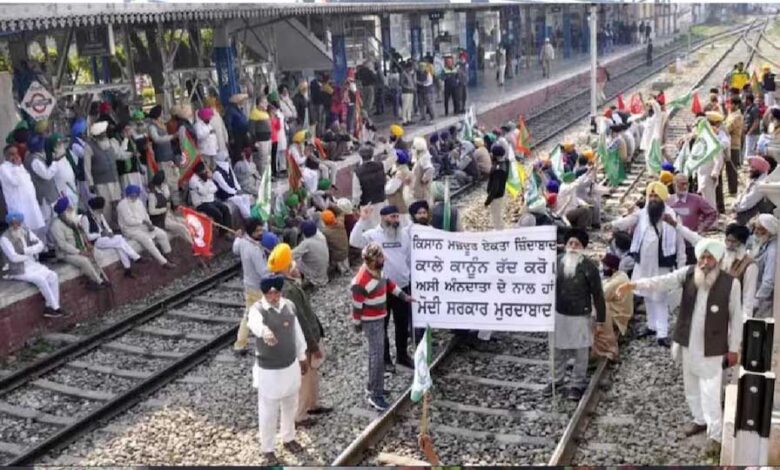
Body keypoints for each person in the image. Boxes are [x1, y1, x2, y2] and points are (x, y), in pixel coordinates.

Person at [617, 238, 742, 456]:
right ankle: (699, 420)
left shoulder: (731, 284)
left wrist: (733, 349)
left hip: (713, 347)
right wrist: (635, 285)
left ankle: (715, 435)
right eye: (702, 257)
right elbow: (663, 281)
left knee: (711, 391)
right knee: (691, 386)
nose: (705, 262)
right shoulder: (688, 273)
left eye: (710, 257)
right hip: (688, 343)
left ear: (718, 259)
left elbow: (737, 318)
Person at [609, 182, 686, 346]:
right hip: (643, 264)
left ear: (663, 197)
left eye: (656, 196)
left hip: (662, 264)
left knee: (660, 298)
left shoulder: (672, 216)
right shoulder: (642, 214)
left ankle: (662, 333)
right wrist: (613, 224)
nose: (653, 199)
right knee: (647, 296)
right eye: (650, 196)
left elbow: (680, 243)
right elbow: (626, 222)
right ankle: (652, 326)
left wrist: (681, 264)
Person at [266, 243, 330, 426]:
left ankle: (312, 404)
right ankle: (299, 415)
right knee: (304, 377)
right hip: (302, 343)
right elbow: (300, 320)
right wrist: (313, 344)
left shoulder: (279, 286)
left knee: (311, 374)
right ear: (286, 266)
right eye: (291, 261)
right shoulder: (290, 290)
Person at [247, 273, 307, 465]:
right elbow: (254, 324)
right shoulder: (257, 310)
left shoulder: (289, 306)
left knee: (291, 404)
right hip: (269, 370)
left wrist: (302, 356)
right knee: (268, 410)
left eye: (276, 293)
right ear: (264, 294)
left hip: (289, 365)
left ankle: (289, 437)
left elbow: (297, 332)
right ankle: (268, 448)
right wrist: (265, 331)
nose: (273, 297)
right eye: (270, 293)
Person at [350, 205, 413, 372]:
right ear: (383, 218)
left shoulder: (403, 235)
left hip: (401, 286)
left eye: (397, 217)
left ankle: (402, 356)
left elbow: (408, 258)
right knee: (382, 326)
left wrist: (407, 276)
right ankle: (385, 359)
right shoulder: (373, 235)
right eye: (392, 217)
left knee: (402, 324)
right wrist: (362, 219)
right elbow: (354, 241)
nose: (395, 220)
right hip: (380, 289)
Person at [351, 242, 413, 411]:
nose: (383, 259)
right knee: (377, 357)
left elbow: (388, 284)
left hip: (379, 317)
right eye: (379, 257)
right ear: (371, 261)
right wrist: (357, 323)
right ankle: (375, 395)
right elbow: (357, 306)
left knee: (377, 355)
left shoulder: (378, 272)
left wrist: (404, 296)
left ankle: (374, 386)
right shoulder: (361, 282)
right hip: (371, 322)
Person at [544, 229, 605, 401]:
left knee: (581, 353)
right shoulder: (556, 262)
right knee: (556, 350)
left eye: (576, 244)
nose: (572, 246)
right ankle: (556, 380)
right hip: (558, 313)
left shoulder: (589, 267)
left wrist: (600, 320)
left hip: (580, 316)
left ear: (582, 247)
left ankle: (577, 384)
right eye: (570, 243)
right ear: (565, 245)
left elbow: (598, 294)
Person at [0, 212, 65, 318]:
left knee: (53, 276)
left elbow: (40, 245)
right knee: (41, 279)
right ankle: (56, 308)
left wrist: (27, 251)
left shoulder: (25, 231)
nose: (16, 226)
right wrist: (29, 256)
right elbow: (13, 257)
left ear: (21, 223)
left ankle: (49, 307)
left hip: (32, 264)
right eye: (13, 224)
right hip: (16, 269)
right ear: (9, 224)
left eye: (18, 223)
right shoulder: (4, 238)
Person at [233, 221, 279, 355]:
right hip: (259, 287)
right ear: (251, 232)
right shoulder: (254, 250)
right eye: (258, 231)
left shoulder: (243, 242)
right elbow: (263, 272)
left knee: (248, 315)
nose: (261, 233)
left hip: (249, 285)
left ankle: (240, 344)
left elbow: (235, 249)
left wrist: (237, 237)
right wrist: (276, 271)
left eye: (261, 230)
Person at [49, 196, 109, 289]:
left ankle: (94, 278)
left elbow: (81, 233)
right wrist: (80, 252)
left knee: (98, 255)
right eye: (68, 208)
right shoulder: (56, 226)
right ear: (63, 212)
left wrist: (87, 244)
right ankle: (98, 282)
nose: (71, 209)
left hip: (81, 247)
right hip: (66, 253)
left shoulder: (72, 219)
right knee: (84, 261)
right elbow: (63, 245)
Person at [81, 196, 140, 278]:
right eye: (101, 208)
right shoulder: (85, 217)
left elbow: (107, 227)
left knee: (119, 244)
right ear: (96, 208)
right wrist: (100, 234)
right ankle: (136, 257)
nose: (102, 210)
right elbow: (87, 236)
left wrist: (110, 232)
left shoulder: (100, 214)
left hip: (105, 238)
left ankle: (128, 269)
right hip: (96, 241)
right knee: (120, 240)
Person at [117, 185, 174, 269]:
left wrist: (149, 223)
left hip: (143, 226)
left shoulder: (139, 202)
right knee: (147, 240)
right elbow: (129, 221)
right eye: (132, 195)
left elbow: (145, 214)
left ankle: (168, 255)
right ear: (128, 194)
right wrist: (143, 222)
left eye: (136, 194)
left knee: (162, 234)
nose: (135, 196)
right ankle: (163, 262)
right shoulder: (122, 205)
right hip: (130, 230)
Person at [666, 173, 718, 263]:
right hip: (672, 243)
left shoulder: (696, 199)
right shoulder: (668, 200)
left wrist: (702, 227)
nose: (685, 187)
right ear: (674, 185)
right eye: (682, 184)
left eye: (687, 184)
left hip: (690, 243)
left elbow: (712, 213)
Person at [1, 145, 46, 243]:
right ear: (6, 156)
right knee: (23, 232)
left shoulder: (19, 165)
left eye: (16, 153)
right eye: (12, 154)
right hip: (19, 206)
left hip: (30, 203)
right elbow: (15, 181)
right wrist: (17, 167)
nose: (15, 156)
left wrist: (18, 166)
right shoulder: (4, 168)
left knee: (36, 228)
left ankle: (38, 249)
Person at [84, 121, 122, 226]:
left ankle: (117, 225)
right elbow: (87, 167)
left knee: (117, 203)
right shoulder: (89, 147)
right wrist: (90, 183)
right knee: (106, 207)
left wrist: (130, 154)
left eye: (104, 133)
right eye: (102, 134)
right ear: (97, 136)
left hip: (114, 179)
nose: (104, 136)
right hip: (100, 182)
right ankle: (106, 226)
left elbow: (118, 155)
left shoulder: (110, 143)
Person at [23, 134, 59, 242]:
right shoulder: (34, 160)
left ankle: (47, 243)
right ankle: (41, 245)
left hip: (46, 194)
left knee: (49, 219)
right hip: (43, 196)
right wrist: (55, 162)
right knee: (45, 220)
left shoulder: (35, 157)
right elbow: (47, 175)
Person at [148, 105, 181, 207]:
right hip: (161, 157)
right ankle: (169, 204)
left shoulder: (162, 124)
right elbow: (157, 139)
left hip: (170, 156)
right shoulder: (152, 127)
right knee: (166, 182)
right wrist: (171, 137)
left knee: (174, 180)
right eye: (161, 113)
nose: (163, 114)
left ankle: (176, 203)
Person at [146, 171, 192, 244]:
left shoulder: (163, 188)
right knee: (182, 227)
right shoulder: (152, 195)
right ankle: (193, 245)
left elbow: (167, 199)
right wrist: (164, 210)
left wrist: (170, 212)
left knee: (186, 222)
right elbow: (151, 211)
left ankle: (194, 241)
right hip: (160, 220)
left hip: (168, 215)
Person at [188, 162, 232, 231]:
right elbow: (203, 192)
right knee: (217, 213)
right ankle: (222, 232)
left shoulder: (205, 176)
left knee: (225, 208)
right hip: (201, 203)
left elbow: (215, 188)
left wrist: (208, 184)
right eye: (204, 171)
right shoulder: (193, 180)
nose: (205, 172)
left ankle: (228, 230)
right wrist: (207, 180)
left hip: (210, 200)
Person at [600, 252, 634, 342]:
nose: (603, 268)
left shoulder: (615, 282)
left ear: (613, 268)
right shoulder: (622, 274)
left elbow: (600, 296)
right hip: (623, 312)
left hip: (618, 317)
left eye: (605, 266)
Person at [698, 112, 728, 213]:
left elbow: (719, 156)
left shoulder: (716, 138)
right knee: (705, 195)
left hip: (710, 172)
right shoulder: (703, 135)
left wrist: (715, 171)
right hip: (702, 170)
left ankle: (712, 217)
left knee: (709, 198)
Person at [213, 150, 253, 220]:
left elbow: (234, 180)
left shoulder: (228, 167)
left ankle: (249, 215)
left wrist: (238, 189)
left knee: (246, 197)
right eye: (227, 158)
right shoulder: (217, 173)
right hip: (225, 195)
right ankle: (248, 218)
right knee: (239, 200)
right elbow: (224, 186)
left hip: (234, 192)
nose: (229, 159)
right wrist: (235, 192)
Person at [354, 145, 386, 228]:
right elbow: (394, 157)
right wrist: (387, 144)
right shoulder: (381, 165)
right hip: (381, 201)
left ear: (360, 155)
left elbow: (356, 193)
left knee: (369, 230)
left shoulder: (358, 172)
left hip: (366, 205)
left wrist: (355, 205)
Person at [733, 155, 771, 225]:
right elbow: (742, 194)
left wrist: (737, 207)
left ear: (759, 169)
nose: (749, 169)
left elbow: (749, 200)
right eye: (749, 167)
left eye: (753, 167)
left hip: (756, 213)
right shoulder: (754, 179)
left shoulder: (761, 183)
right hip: (746, 208)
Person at [752, 214, 777, 318]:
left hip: (766, 300)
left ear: (768, 231)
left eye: (759, 229)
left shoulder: (773, 251)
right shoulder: (765, 242)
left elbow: (769, 282)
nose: (755, 232)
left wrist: (756, 301)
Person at [292, 221, 329, 289]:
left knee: (293, 262)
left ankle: (298, 283)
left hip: (315, 275)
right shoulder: (321, 235)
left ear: (304, 233)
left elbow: (291, 255)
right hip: (323, 270)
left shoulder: (306, 243)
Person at [485, 144, 508, 230]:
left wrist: (488, 200)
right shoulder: (505, 162)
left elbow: (495, 187)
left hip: (496, 197)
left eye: (492, 153)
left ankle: (500, 233)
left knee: (497, 218)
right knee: (499, 216)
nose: (490, 155)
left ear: (496, 155)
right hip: (501, 194)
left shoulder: (498, 169)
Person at [320, 209, 349, 275]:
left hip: (337, 257)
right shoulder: (341, 224)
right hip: (346, 252)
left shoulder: (325, 232)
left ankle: (333, 269)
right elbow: (340, 212)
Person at [724, 97, 743, 196]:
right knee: (728, 169)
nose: (729, 106)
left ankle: (733, 190)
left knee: (732, 169)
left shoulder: (737, 116)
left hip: (733, 145)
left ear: (736, 105)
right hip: (728, 144)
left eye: (731, 104)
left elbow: (728, 128)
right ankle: (730, 189)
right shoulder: (731, 114)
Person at [411, 137, 435, 207]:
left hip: (422, 191)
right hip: (419, 189)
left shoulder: (423, 158)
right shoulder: (420, 157)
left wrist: (424, 180)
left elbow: (430, 169)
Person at [743, 94, 761, 159]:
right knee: (747, 151)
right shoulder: (748, 108)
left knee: (750, 152)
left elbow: (756, 122)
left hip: (753, 134)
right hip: (748, 133)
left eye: (745, 99)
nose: (744, 100)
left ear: (748, 100)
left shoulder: (754, 109)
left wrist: (750, 132)